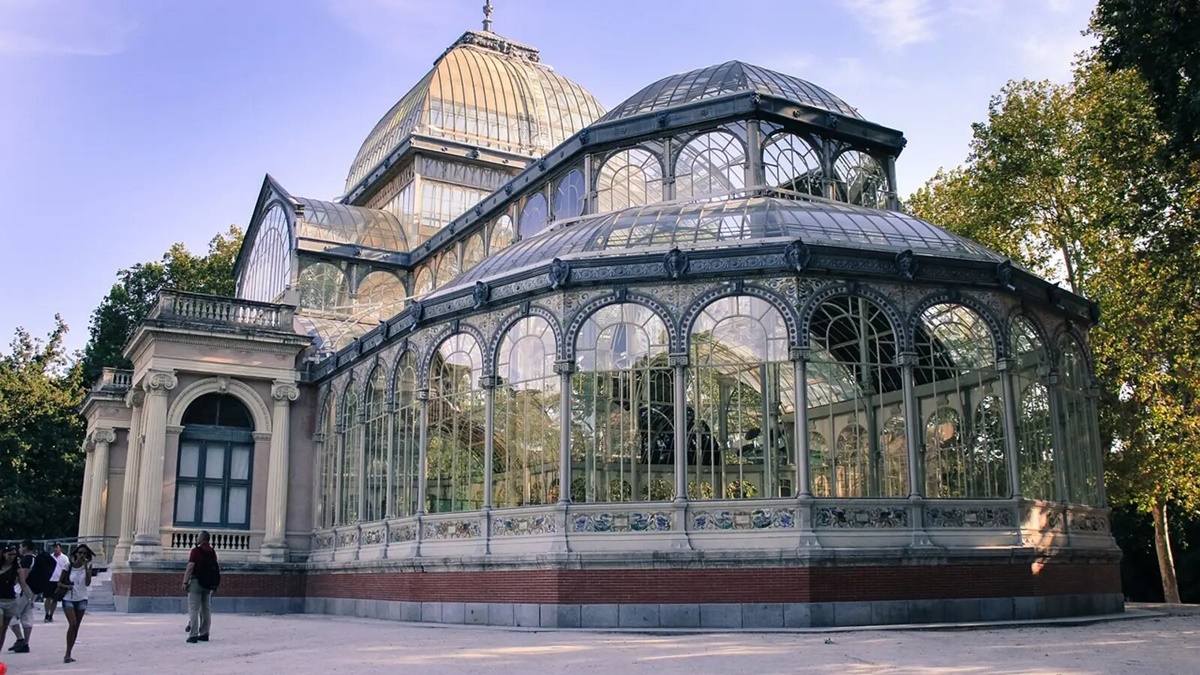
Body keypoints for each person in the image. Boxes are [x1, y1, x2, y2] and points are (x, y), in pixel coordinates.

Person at [182, 531, 219, 644]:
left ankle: (193, 635)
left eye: (198, 537)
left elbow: (190, 567)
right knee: (206, 609)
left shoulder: (196, 551)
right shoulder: (212, 552)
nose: (196, 539)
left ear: (202, 539)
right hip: (208, 584)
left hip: (196, 582)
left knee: (193, 608)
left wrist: (185, 581)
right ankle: (204, 633)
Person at [59, 545, 93, 664]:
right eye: (80, 553)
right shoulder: (68, 566)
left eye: (85, 554)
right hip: (68, 598)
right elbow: (59, 583)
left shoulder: (87, 567)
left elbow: (88, 583)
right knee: (72, 624)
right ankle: (67, 654)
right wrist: (67, 586)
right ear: (76, 554)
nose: (82, 555)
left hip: (82, 599)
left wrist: (87, 570)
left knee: (76, 626)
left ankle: (69, 652)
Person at [5, 541, 37, 654]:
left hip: (22, 591)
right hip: (32, 591)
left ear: (26, 547)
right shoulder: (35, 558)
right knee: (27, 617)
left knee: (9, 616)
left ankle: (20, 639)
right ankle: (25, 644)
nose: (20, 548)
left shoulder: (27, 559)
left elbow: (23, 577)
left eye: (21, 546)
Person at [0, 546, 25, 653]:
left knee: (4, 630)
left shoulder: (17, 569)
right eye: (9, 554)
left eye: (14, 554)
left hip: (10, 600)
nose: (12, 557)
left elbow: (23, 584)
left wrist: (28, 598)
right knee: (0, 626)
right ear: (3, 554)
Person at [43, 543, 68, 623]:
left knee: (55, 599)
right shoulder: (50, 557)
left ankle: (51, 615)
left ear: (60, 548)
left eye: (56, 547)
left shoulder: (64, 558)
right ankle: (47, 613)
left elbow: (66, 569)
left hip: (58, 580)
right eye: (54, 547)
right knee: (47, 598)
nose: (55, 549)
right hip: (49, 579)